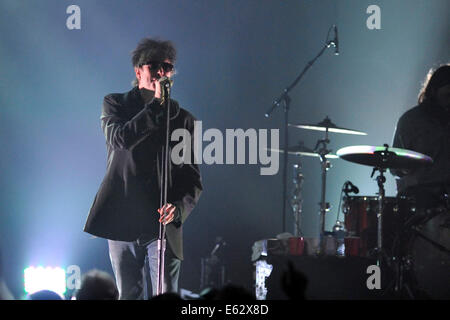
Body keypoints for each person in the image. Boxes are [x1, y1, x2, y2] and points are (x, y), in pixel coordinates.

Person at [84, 38, 203, 299]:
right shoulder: (115, 105)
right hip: (122, 217)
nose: (162, 72)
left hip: (161, 223)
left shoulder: (185, 120)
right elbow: (120, 140)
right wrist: (156, 107)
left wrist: (179, 208)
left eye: (168, 67)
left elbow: (191, 179)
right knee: (128, 295)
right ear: (138, 71)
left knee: (166, 295)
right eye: (155, 66)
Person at [391, 64, 450, 208]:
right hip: (421, 195)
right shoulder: (411, 120)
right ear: (434, 91)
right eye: (448, 95)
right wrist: (404, 168)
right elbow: (394, 165)